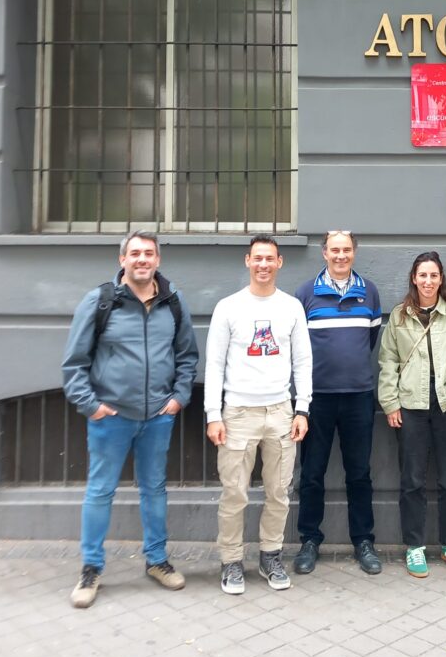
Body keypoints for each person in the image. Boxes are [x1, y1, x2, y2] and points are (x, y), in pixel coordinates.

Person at [62, 230, 199, 609]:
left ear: (158, 260)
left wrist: (179, 398)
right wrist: (91, 405)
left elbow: (187, 355)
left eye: (149, 253)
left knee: (154, 488)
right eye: (135, 253)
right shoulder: (101, 301)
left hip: (157, 415)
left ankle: (157, 560)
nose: (142, 259)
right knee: (100, 491)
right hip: (111, 416)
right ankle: (91, 568)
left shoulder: (173, 301)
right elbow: (74, 363)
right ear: (122, 259)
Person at [204, 235, 312, 594]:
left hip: (280, 412)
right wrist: (213, 414)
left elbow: (303, 361)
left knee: (278, 491)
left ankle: (270, 556)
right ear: (247, 261)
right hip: (237, 413)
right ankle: (232, 561)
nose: (263, 264)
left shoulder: (292, 307)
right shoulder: (228, 307)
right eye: (258, 258)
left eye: (270, 259)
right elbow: (215, 363)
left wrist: (302, 408)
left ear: (279, 262)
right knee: (234, 493)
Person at [378, 252, 446, 578]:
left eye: (433, 275)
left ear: (441, 279)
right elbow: (388, 361)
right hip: (411, 406)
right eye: (422, 275)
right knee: (411, 480)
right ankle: (414, 546)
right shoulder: (399, 315)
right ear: (414, 278)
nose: (428, 281)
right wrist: (390, 403)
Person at [294, 230, 383, 576]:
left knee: (359, 473)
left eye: (346, 249)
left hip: (358, 395)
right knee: (312, 473)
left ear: (354, 252)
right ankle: (309, 540)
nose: (341, 255)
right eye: (335, 250)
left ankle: (364, 541)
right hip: (317, 398)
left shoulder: (369, 291)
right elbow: (298, 347)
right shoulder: (305, 293)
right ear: (324, 253)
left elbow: (370, 338)